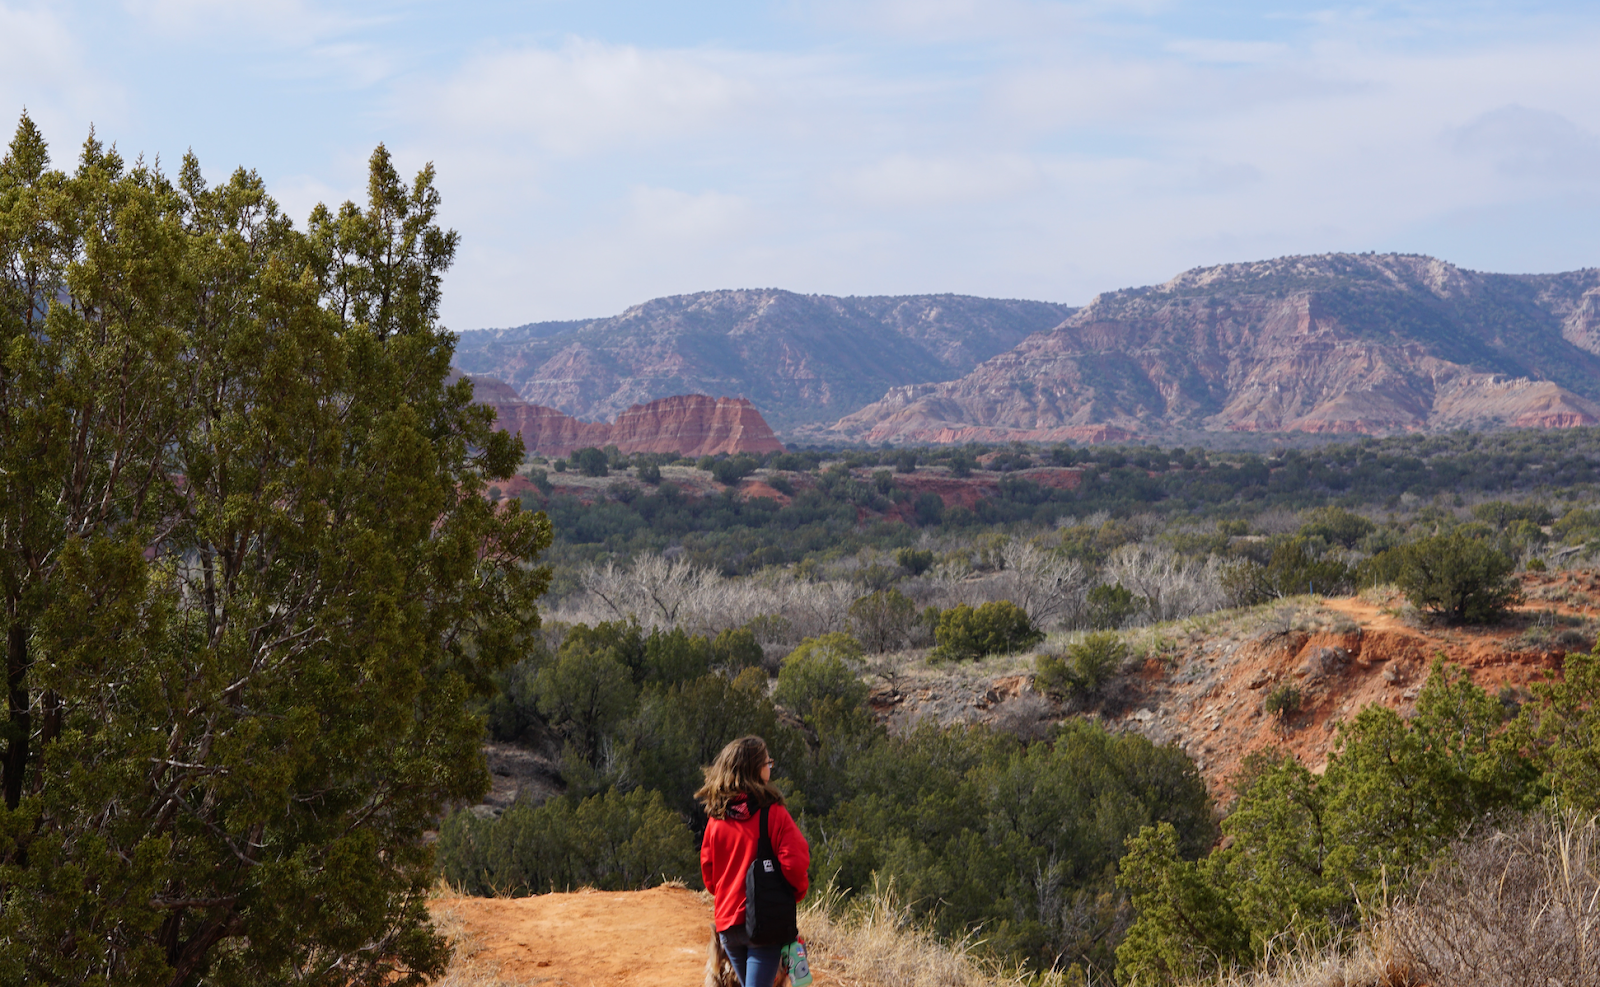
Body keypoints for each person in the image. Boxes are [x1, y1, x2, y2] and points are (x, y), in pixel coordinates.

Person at [697, 735, 810, 987]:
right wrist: (797, 892)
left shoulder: (716, 820)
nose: (770, 766)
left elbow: (709, 873)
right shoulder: (775, 814)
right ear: (754, 769)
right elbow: (796, 863)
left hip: (728, 925)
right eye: (767, 762)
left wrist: (729, 895)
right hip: (764, 925)